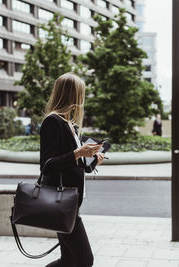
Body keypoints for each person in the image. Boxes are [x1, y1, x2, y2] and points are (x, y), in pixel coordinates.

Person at [40, 73, 104, 267]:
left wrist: (92, 161)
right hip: (62, 204)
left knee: (68, 260)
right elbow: (47, 165)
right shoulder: (53, 122)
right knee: (85, 259)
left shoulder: (70, 125)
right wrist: (77, 153)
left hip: (70, 202)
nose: (82, 99)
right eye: (80, 94)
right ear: (71, 95)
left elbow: (73, 167)